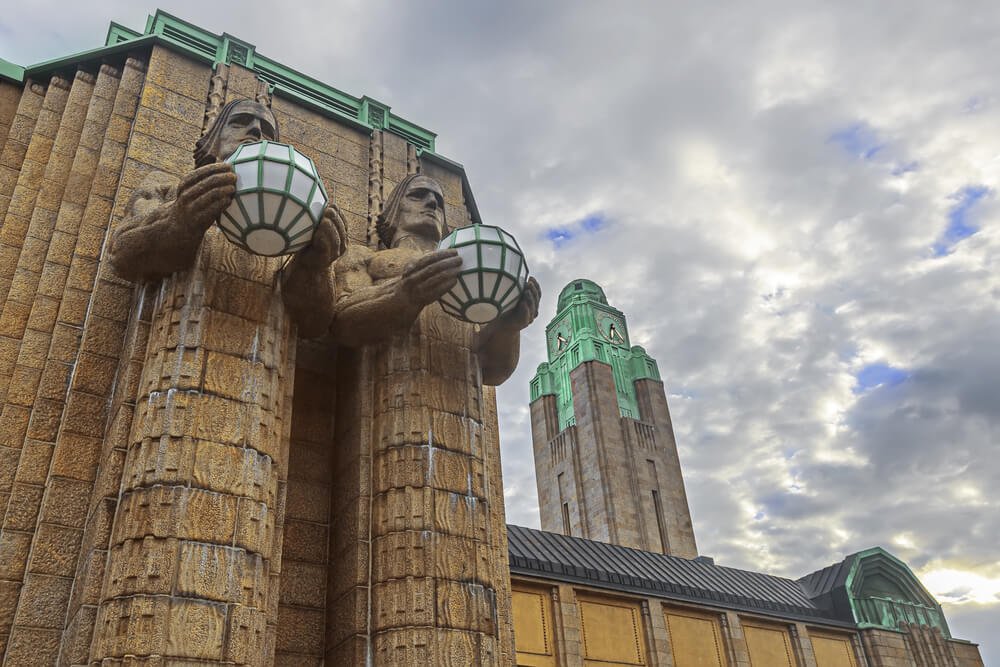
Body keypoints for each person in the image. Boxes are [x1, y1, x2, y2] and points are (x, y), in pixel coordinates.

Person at [327, 172, 538, 661]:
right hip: (391, 427)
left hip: (464, 451)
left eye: (440, 201)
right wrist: (406, 294)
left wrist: (510, 323)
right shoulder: (366, 258)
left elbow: (494, 368)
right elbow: (341, 320)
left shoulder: (471, 281)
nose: (432, 205)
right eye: (419, 196)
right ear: (391, 213)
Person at [109, 98, 346, 336]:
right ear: (215, 139)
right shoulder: (171, 188)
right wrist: (178, 220)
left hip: (267, 353)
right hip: (175, 341)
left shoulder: (295, 221)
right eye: (240, 121)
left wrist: (314, 266)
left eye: (267, 130)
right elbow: (120, 254)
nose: (256, 130)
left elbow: (314, 324)